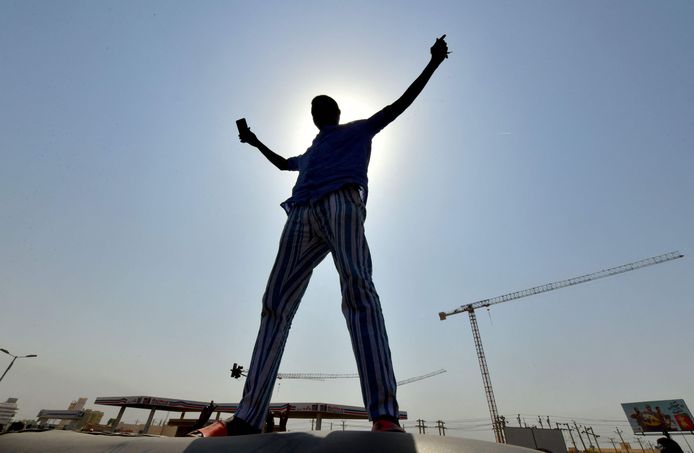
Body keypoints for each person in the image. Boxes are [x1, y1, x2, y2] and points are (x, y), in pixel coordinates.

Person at [189, 35, 450, 437]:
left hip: (341, 204)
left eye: (322, 106)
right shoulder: (310, 153)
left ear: (335, 112)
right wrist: (254, 140)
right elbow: (282, 164)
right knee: (275, 303)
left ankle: (383, 414)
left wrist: (432, 64)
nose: (317, 111)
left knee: (358, 288)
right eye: (313, 108)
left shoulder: (358, 130)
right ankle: (248, 417)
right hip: (301, 213)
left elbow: (398, 106)